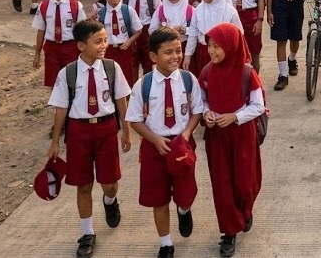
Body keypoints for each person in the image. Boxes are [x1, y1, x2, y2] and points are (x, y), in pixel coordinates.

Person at [45, 19, 132, 258]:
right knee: (83, 184)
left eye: (105, 40)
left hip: (106, 129)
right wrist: (55, 142)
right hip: (79, 132)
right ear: (81, 46)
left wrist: (126, 130)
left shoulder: (112, 68)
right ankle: (87, 232)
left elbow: (121, 100)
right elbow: (61, 108)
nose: (104, 45)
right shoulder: (68, 73)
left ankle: (110, 201)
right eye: (98, 42)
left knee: (110, 182)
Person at [125, 28, 202, 258]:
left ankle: (184, 210)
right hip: (154, 146)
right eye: (168, 52)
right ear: (153, 56)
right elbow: (134, 119)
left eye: (178, 50)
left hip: (181, 144)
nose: (175, 56)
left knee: (186, 194)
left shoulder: (188, 80)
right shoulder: (143, 85)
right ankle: (166, 243)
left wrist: (187, 133)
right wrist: (155, 139)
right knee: (158, 198)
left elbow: (197, 110)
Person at [201, 23, 264, 257]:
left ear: (231, 46)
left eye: (217, 46)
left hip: (242, 134)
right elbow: (202, 100)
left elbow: (258, 106)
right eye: (209, 46)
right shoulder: (207, 72)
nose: (211, 51)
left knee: (245, 183)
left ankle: (245, 209)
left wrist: (235, 117)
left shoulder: (247, 72)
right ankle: (229, 231)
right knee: (222, 185)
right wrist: (207, 113)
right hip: (217, 136)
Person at [33, 0, 87, 86]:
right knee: (55, 82)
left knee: (73, 81)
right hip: (51, 49)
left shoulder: (75, 5)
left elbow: (83, 30)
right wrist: (37, 54)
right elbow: (41, 31)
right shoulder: (43, 6)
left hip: (71, 48)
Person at [183, 0, 244, 76]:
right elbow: (193, 35)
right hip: (204, 53)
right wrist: (187, 55)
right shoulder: (198, 10)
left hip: (224, 54)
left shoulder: (230, 11)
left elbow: (239, 35)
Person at [96, 0, 143, 85]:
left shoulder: (128, 10)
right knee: (109, 78)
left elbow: (138, 30)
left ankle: (128, 96)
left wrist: (129, 41)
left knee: (127, 78)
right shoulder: (101, 13)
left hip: (125, 49)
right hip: (108, 50)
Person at [123, 0, 161, 76]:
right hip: (131, 34)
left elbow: (160, 15)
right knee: (132, 64)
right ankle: (133, 85)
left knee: (149, 63)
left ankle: (147, 84)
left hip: (147, 33)